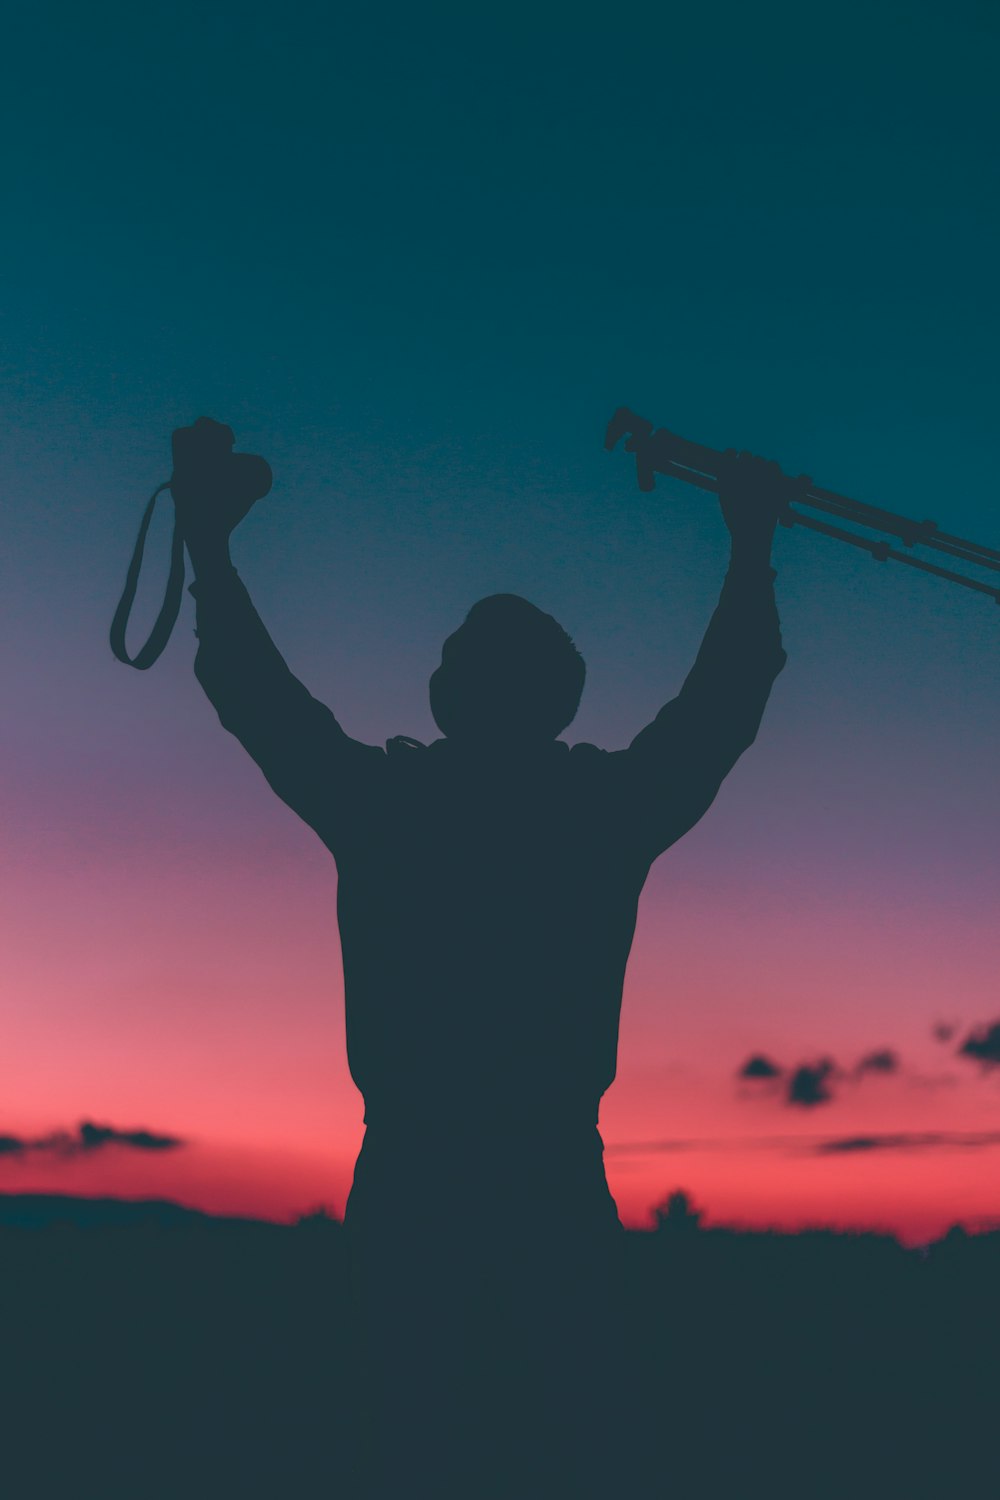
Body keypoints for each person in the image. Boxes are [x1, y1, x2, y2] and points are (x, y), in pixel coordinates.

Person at [171, 418, 788, 1497]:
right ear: (559, 699)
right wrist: (747, 544)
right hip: (545, 1175)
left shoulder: (387, 805)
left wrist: (209, 544)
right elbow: (724, 705)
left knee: (417, 1439)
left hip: (418, 1177)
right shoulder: (599, 812)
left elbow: (253, 694)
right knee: (583, 1439)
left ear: (448, 697)